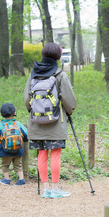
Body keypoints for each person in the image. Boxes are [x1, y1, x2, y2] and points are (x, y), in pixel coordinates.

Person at [24, 42, 77, 199]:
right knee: (55, 154)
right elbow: (69, 100)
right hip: (56, 122)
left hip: (36, 121)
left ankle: (45, 189)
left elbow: (27, 99)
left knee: (42, 154)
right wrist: (69, 111)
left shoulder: (33, 74)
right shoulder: (60, 74)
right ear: (58, 56)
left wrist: (34, 112)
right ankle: (55, 189)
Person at [0, 103, 28, 186]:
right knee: (18, 165)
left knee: (5, 165)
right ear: (14, 113)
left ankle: (7, 179)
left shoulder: (0, 125)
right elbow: (26, 136)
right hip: (18, 150)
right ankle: (21, 179)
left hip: (5, 151)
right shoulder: (18, 124)